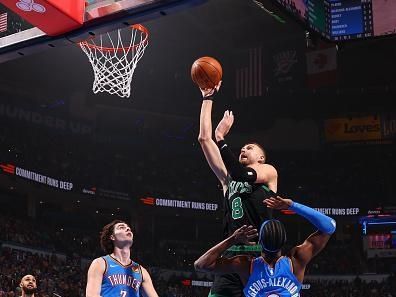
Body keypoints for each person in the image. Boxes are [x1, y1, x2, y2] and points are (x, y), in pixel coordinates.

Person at [197, 83, 278, 296]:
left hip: (260, 256)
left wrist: (222, 138)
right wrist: (208, 98)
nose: (243, 149)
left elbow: (243, 175)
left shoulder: (268, 172)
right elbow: (204, 139)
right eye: (242, 147)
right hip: (231, 255)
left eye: (249, 148)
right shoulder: (227, 179)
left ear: (261, 157)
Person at [194, 196, 336, 297]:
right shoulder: (296, 260)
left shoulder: (245, 264)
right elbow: (330, 225)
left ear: (259, 241)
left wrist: (233, 239)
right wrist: (292, 205)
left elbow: (200, 265)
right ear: (284, 241)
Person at [86, 220, 159, 297]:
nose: (127, 229)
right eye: (121, 227)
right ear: (112, 237)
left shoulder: (142, 271)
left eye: (129, 228)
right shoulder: (100, 263)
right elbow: (91, 295)